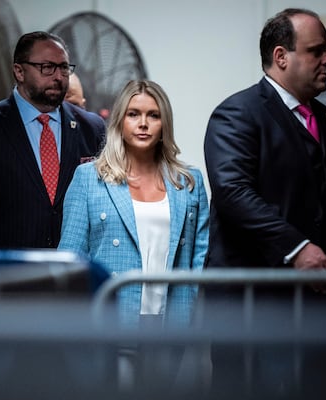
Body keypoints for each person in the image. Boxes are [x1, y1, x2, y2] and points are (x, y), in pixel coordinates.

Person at [203, 8, 326, 397]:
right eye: (317, 51)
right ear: (281, 57)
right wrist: (298, 247)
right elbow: (233, 192)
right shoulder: (236, 115)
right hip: (258, 310)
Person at [58, 79, 208, 387]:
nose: (143, 124)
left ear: (164, 122)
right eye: (133, 114)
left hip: (171, 320)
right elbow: (70, 259)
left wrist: (190, 307)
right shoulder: (89, 179)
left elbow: (199, 256)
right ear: (119, 121)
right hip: (110, 320)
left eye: (153, 115)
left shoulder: (190, 182)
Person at [0, 31, 105, 248]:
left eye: (63, 67)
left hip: (73, 271)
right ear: (19, 71)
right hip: (5, 271)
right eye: (47, 67)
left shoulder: (91, 128)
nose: (59, 76)